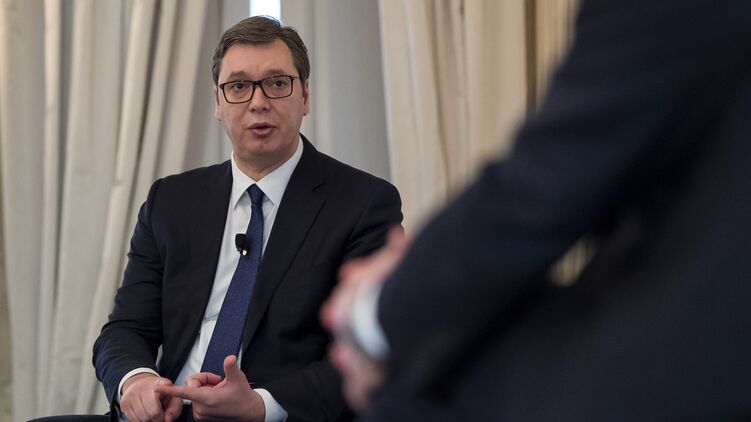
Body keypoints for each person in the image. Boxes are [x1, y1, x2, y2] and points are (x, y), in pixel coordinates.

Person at [322, 0, 751, 420]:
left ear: (307, 94)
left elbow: (545, 192)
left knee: (411, 387)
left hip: (704, 360)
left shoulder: (361, 197)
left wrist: (374, 314)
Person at [89, 16, 402, 422]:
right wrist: (137, 380)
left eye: (277, 83)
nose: (258, 102)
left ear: (305, 96)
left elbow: (369, 350)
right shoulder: (171, 200)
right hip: (171, 411)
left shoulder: (363, 203)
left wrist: (261, 406)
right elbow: (126, 328)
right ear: (218, 103)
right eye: (238, 86)